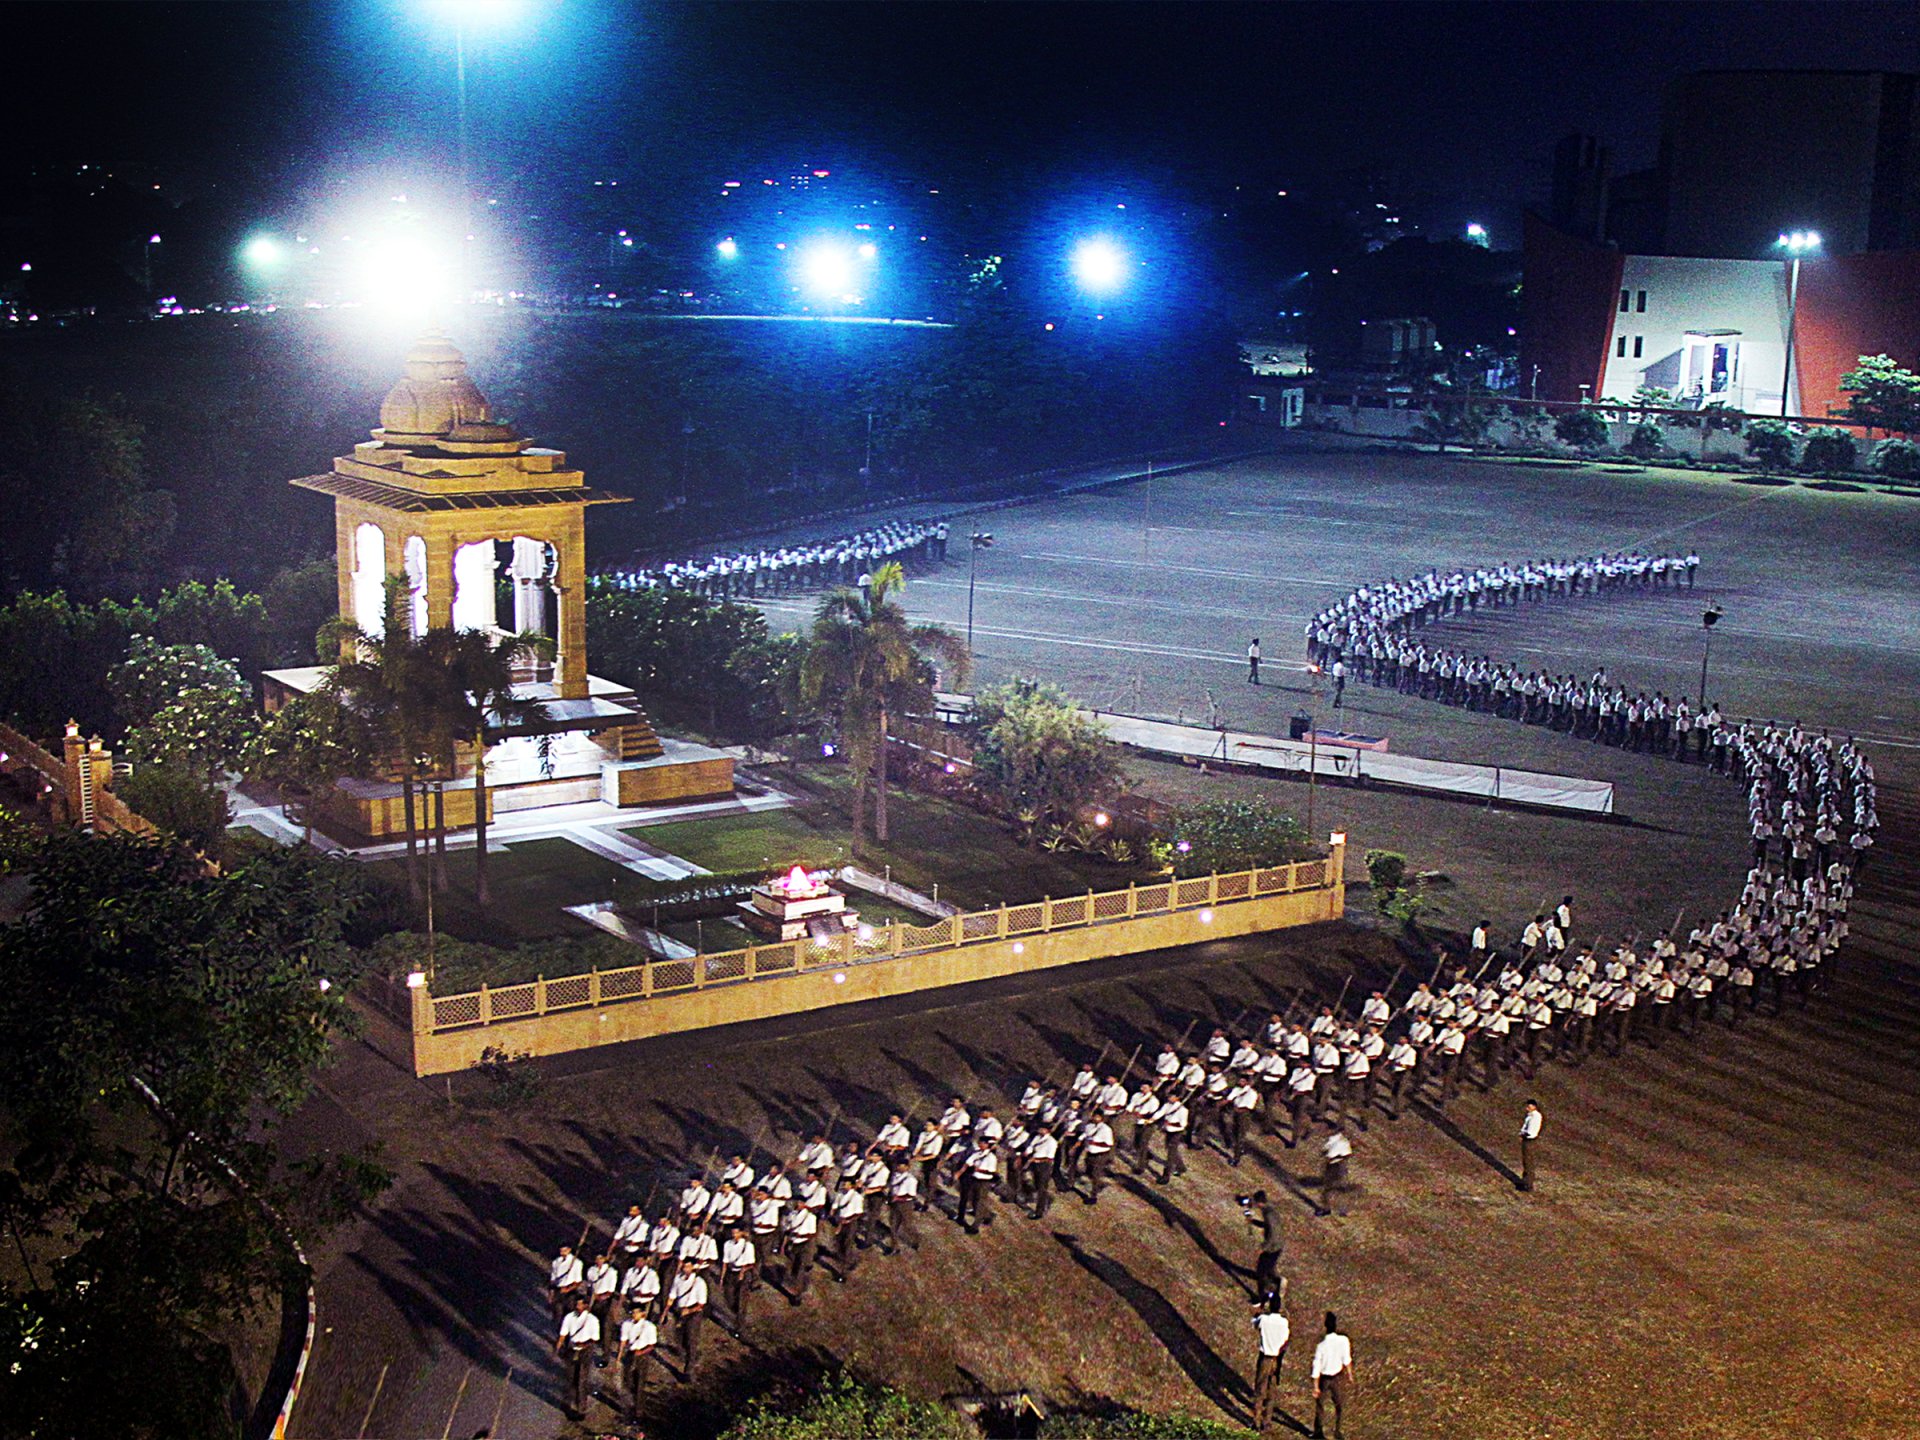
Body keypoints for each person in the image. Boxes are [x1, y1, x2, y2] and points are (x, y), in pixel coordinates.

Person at [1251, 1290, 1291, 1432]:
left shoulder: (1264, 1320)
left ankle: (1256, 1420)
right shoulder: (1284, 1322)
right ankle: (1267, 1421)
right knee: (1271, 1390)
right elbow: (1286, 1340)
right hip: (1276, 1358)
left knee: (1259, 1389)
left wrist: (1259, 1309)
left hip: (1265, 1357)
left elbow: (1254, 1323)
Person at [1311, 1312, 1354, 1440]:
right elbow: (1347, 1360)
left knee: (1320, 1405)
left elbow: (1316, 1367)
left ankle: (1318, 1432)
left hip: (1324, 1378)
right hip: (1337, 1376)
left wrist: (1315, 1386)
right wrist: (1350, 1375)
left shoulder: (1321, 1346)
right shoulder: (1343, 1341)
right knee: (1339, 1404)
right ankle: (1338, 1431)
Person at [556, 1296, 600, 1420]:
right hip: (572, 1349)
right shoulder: (569, 1317)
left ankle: (581, 1409)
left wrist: (583, 1344)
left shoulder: (592, 1320)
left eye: (581, 1305)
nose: (578, 1307)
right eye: (577, 1304)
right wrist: (558, 1347)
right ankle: (569, 1406)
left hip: (585, 1351)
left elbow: (594, 1339)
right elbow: (563, 1334)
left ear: (586, 1306)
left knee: (581, 1380)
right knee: (570, 1379)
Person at [617, 1305, 658, 1416]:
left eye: (636, 1312)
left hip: (642, 1355)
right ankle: (632, 1402)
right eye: (632, 1312)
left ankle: (638, 1410)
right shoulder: (626, 1325)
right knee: (628, 1381)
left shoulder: (649, 1327)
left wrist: (641, 1352)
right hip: (630, 1354)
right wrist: (619, 1356)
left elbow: (652, 1345)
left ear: (642, 1314)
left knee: (640, 1381)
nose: (633, 1315)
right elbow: (623, 1341)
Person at [1246, 1190, 1285, 1298]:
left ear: (1259, 1202)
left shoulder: (1268, 1214)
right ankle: (1278, 1283)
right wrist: (1253, 1221)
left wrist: (1263, 1247)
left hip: (1273, 1248)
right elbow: (1268, 1226)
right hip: (1277, 1246)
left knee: (1261, 1272)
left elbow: (1273, 1234)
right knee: (1268, 1268)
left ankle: (1261, 1296)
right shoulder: (1269, 1210)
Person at [1316, 1128, 1352, 1217]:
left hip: (1339, 1167)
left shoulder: (1343, 1142)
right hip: (1330, 1167)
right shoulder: (1332, 1140)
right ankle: (1326, 1209)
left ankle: (1342, 1210)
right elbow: (1324, 1151)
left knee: (1340, 1190)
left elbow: (1347, 1155)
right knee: (1327, 1190)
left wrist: (1334, 1158)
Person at [1519, 1099, 1542, 1192]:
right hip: (1527, 1139)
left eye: (1529, 1106)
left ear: (1534, 1106)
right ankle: (1526, 1181)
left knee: (1528, 1162)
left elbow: (1531, 1131)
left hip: (1529, 1140)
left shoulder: (1535, 1116)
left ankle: (1528, 1185)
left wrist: (1523, 1134)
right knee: (1526, 1161)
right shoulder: (1531, 1115)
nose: (1527, 1108)